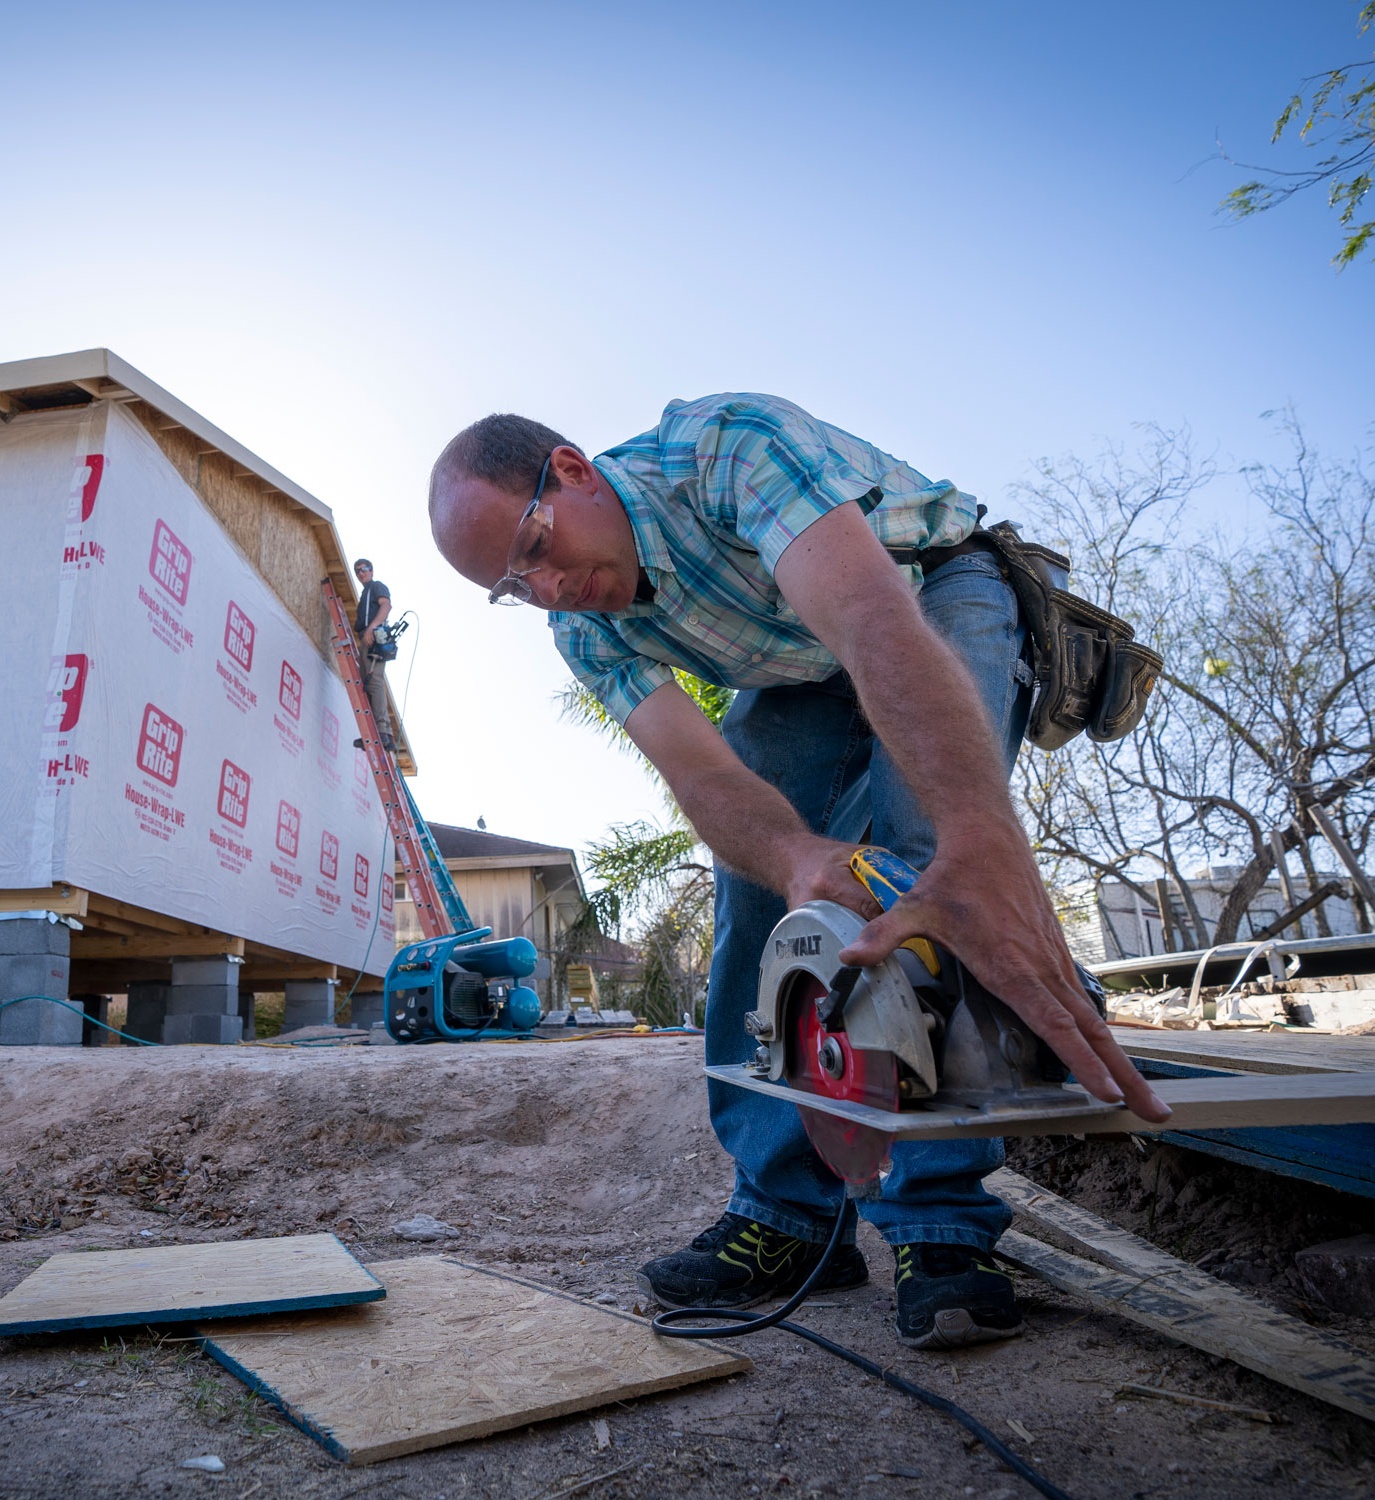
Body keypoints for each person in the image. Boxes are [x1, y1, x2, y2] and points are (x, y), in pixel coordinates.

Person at [426, 394, 1168, 1349]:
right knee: (754, 887)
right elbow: (700, 772)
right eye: (510, 588)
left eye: (534, 547)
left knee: (922, 862)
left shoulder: (726, 450)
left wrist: (976, 841)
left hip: (930, 588)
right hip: (794, 670)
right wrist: (794, 856)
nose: (545, 588)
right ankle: (782, 1214)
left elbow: (871, 621)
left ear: (571, 470)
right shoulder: (581, 627)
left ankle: (939, 1224)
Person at [353, 558, 395, 751]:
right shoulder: (365, 594)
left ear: (371, 570)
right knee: (368, 684)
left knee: (374, 681)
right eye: (358, 571)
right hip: (368, 637)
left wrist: (372, 628)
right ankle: (375, 734)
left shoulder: (376, 587)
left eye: (364, 569)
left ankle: (383, 732)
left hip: (373, 637)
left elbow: (386, 606)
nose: (361, 573)